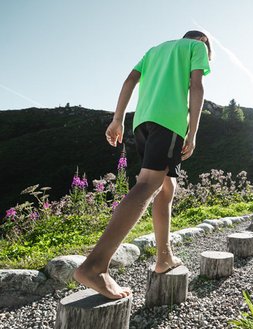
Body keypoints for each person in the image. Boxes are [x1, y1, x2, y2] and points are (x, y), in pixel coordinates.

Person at [74, 30, 211, 299]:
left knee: (166, 188)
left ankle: (164, 257)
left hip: (143, 122)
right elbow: (197, 87)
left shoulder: (155, 50)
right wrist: (192, 132)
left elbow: (129, 81)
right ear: (203, 43)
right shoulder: (197, 47)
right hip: (169, 122)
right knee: (149, 184)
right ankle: (95, 266)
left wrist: (117, 119)